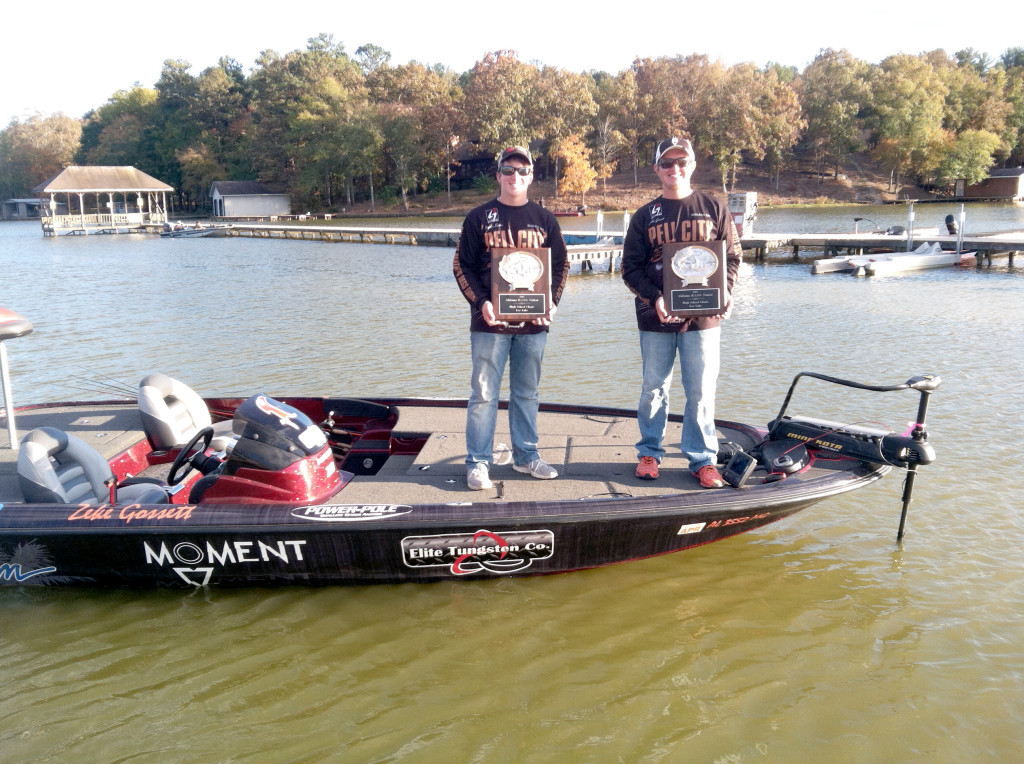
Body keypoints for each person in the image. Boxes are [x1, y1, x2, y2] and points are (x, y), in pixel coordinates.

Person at [621, 137, 742, 489]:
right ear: (657, 168)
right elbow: (630, 268)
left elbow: (732, 257)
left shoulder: (714, 207)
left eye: (681, 162)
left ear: (692, 165)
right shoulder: (644, 215)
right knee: (653, 388)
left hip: (704, 317)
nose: (675, 169)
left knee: (701, 390)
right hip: (655, 318)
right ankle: (649, 452)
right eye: (667, 163)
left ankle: (703, 459)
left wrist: (727, 290)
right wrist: (656, 297)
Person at [453, 146, 570, 490]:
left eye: (522, 171)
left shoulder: (545, 219)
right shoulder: (479, 216)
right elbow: (462, 265)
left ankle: (526, 457)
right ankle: (477, 462)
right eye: (508, 170)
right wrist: (481, 303)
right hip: (490, 323)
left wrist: (553, 302)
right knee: (484, 394)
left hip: (534, 324)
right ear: (498, 175)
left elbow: (561, 266)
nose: (514, 177)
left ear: (532, 176)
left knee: (527, 392)